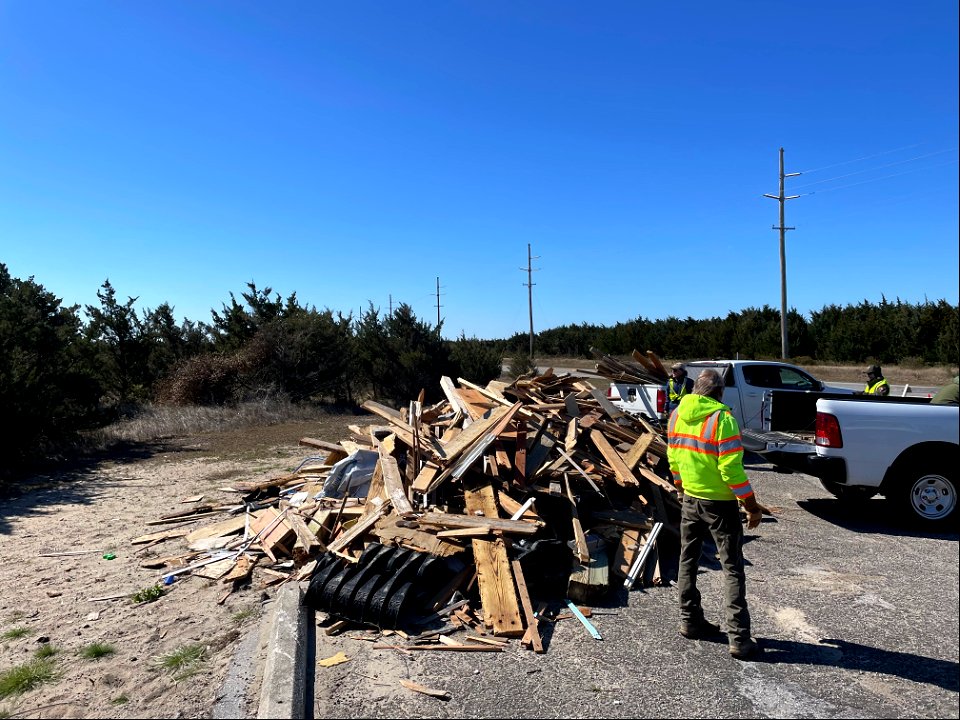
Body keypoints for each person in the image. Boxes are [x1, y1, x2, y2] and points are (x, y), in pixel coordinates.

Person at [667, 368, 763, 660]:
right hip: (719, 504)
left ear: (696, 388)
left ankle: (690, 621)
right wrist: (750, 504)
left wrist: (682, 487)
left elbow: (673, 457)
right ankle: (739, 638)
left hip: (691, 498)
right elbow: (730, 469)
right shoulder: (722, 419)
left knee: (687, 559)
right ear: (720, 392)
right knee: (732, 567)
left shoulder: (677, 415)